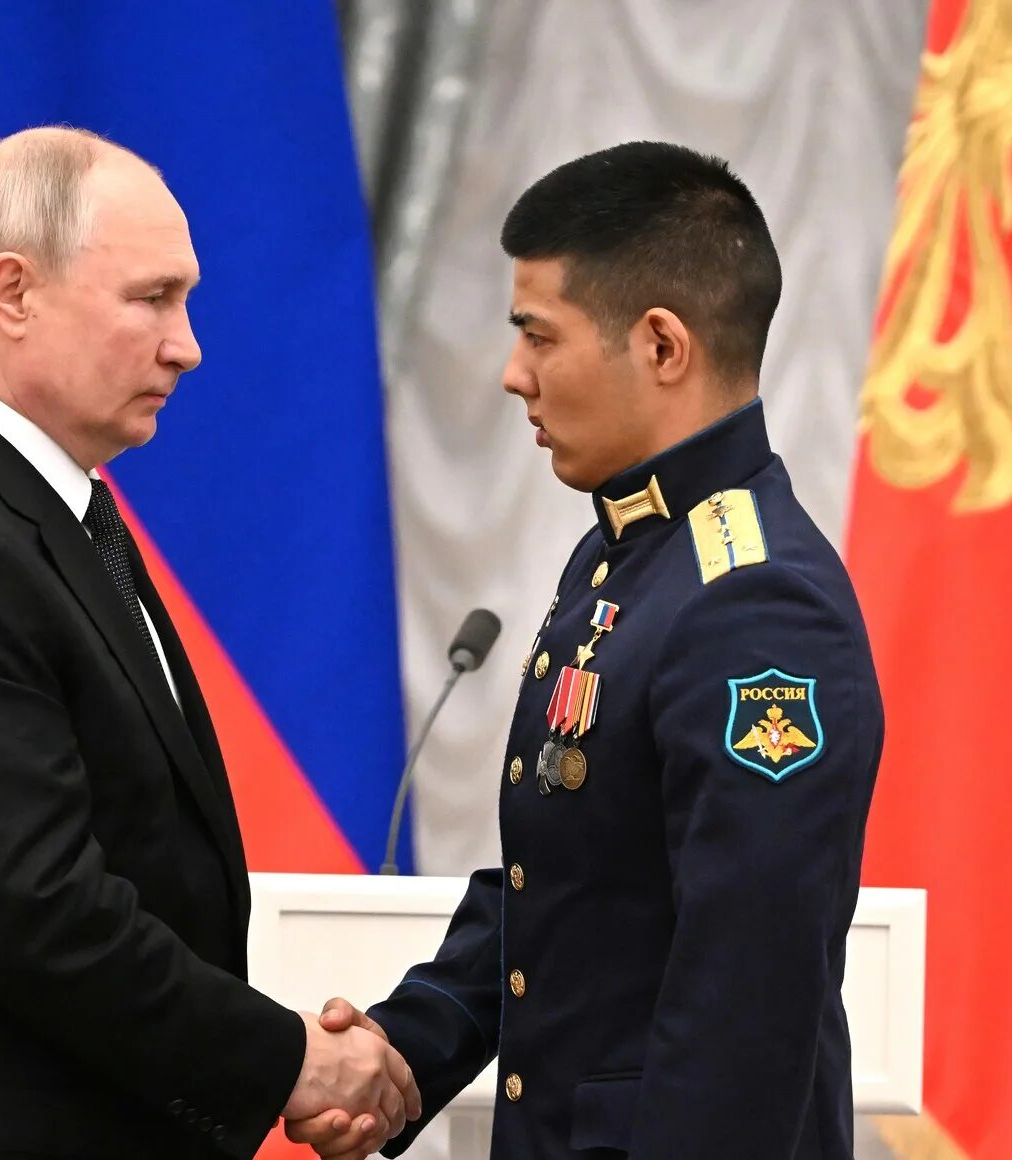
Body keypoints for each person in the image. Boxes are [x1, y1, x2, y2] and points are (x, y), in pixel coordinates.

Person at [0, 126, 418, 1160]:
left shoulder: (48, 514)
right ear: (13, 293)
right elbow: (38, 914)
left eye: (186, 299)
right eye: (150, 298)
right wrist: (286, 1059)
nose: (187, 343)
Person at [288, 142, 884, 1158]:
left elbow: (744, 1002)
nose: (512, 373)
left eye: (536, 334)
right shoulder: (627, 559)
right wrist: (406, 1048)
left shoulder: (753, 601)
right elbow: (564, 884)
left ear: (659, 345)